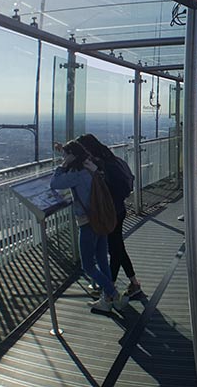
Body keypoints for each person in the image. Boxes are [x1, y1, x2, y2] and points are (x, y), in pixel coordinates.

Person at [51, 141, 127, 313]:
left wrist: (62, 165)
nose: (64, 157)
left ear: (72, 156)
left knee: (88, 265)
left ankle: (113, 294)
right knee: (101, 259)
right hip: (100, 217)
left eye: (66, 154)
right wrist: (64, 150)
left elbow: (55, 183)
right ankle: (107, 300)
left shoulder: (76, 173)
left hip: (88, 222)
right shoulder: (91, 166)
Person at [76, 134, 142, 299]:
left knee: (115, 249)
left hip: (109, 212)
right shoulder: (110, 158)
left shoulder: (97, 165)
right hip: (118, 209)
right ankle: (124, 284)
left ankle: (113, 288)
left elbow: (103, 187)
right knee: (116, 247)